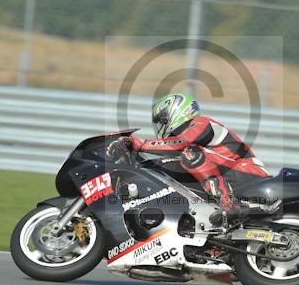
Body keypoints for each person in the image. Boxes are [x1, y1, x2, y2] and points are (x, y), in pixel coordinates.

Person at [115, 93, 270, 225]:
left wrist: (140, 144)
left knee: (190, 153)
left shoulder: (202, 123)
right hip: (232, 178)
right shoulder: (186, 140)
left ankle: (228, 204)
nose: (161, 126)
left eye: (162, 121)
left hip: (249, 174)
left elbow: (182, 143)